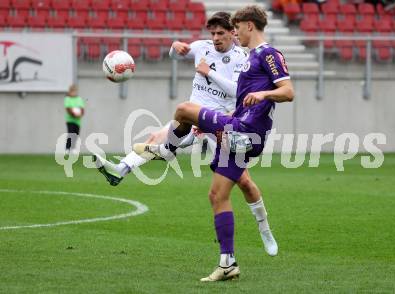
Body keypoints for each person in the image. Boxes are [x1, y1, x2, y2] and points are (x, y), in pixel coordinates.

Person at [94, 12, 279, 258]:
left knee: (244, 182)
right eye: (212, 33)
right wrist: (175, 48)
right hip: (194, 116)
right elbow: (176, 54)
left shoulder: (240, 58)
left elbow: (238, 92)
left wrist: (209, 73)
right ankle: (121, 170)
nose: (215, 38)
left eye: (220, 34)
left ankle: (264, 229)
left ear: (233, 34)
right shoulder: (202, 47)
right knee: (157, 137)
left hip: (221, 121)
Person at [134, 5, 294, 281]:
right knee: (217, 196)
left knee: (184, 110)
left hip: (247, 132)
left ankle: (167, 151)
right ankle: (228, 263)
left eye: (237, 28)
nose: (235, 33)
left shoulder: (269, 54)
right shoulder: (250, 56)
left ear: (249, 26)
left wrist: (264, 95)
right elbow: (242, 95)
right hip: (237, 128)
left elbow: (288, 91)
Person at [64, 84, 84, 154]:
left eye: (75, 91)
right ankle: (67, 148)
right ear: (69, 92)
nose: (73, 93)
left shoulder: (79, 99)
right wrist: (73, 114)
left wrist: (80, 114)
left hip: (77, 121)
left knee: (76, 134)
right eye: (72, 91)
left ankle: (73, 148)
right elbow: (68, 108)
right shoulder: (67, 99)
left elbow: (82, 109)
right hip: (70, 120)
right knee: (71, 133)